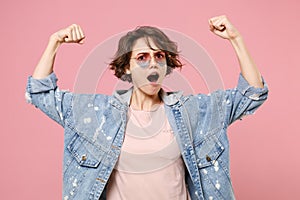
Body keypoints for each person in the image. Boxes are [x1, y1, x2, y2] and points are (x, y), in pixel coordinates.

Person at [25, 15, 268, 200]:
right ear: (127, 67)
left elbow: (252, 95)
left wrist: (236, 39)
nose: (153, 63)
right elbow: (41, 93)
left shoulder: (192, 112)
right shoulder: (97, 113)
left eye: (159, 56)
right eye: (142, 57)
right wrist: (54, 42)